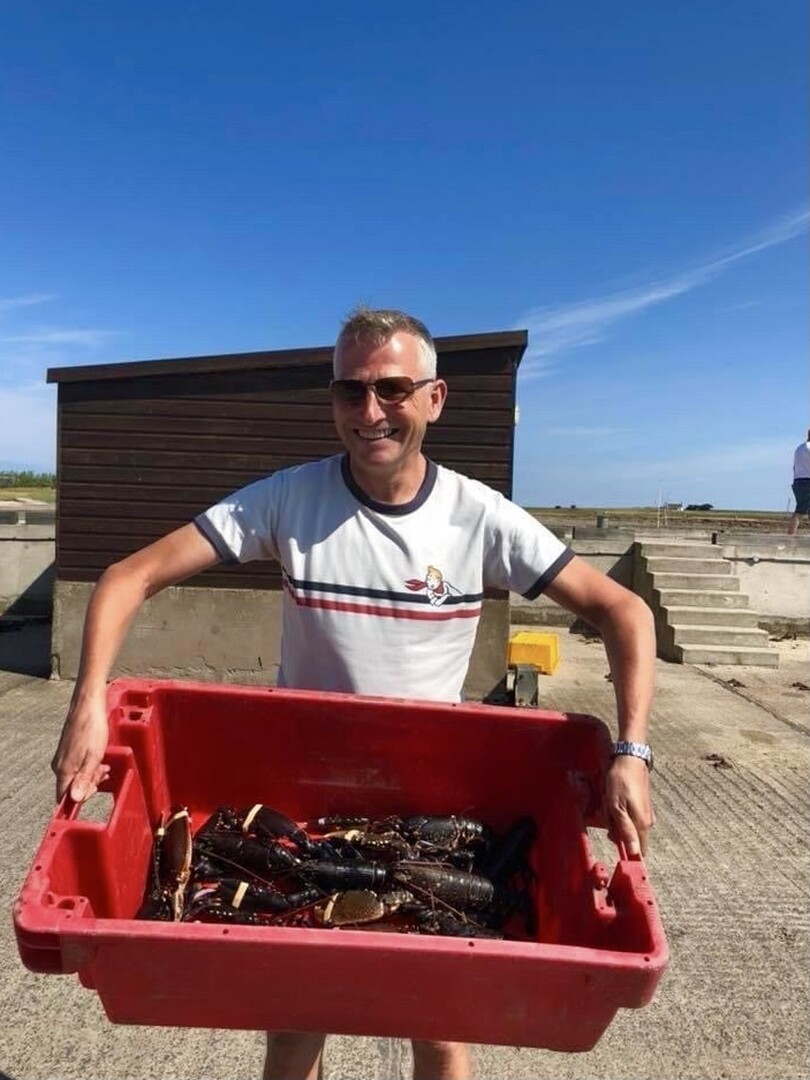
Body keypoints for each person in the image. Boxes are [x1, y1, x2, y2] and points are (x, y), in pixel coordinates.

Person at [51, 306, 656, 1080]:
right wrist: (87, 707)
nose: (370, 412)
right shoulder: (287, 500)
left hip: (429, 806)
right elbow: (126, 576)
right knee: (299, 1017)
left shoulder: (481, 519)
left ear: (435, 398)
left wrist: (631, 751)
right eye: (350, 392)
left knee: (440, 1025)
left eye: (393, 390)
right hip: (301, 801)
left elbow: (624, 611)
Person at [788, 429, 810, 536]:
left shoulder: (800, 448)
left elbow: (794, 467)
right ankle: (790, 536)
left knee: (803, 509)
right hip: (807, 481)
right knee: (800, 511)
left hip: (798, 480)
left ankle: (791, 535)